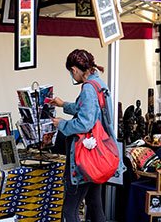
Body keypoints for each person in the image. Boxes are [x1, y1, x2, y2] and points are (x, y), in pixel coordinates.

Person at [49, 49, 122, 222]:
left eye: (71, 72)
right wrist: (64, 104)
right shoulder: (98, 83)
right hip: (98, 154)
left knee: (70, 210)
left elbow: (85, 123)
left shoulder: (88, 88)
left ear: (74, 69)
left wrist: (62, 124)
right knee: (94, 203)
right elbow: (88, 109)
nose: (72, 75)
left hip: (86, 156)